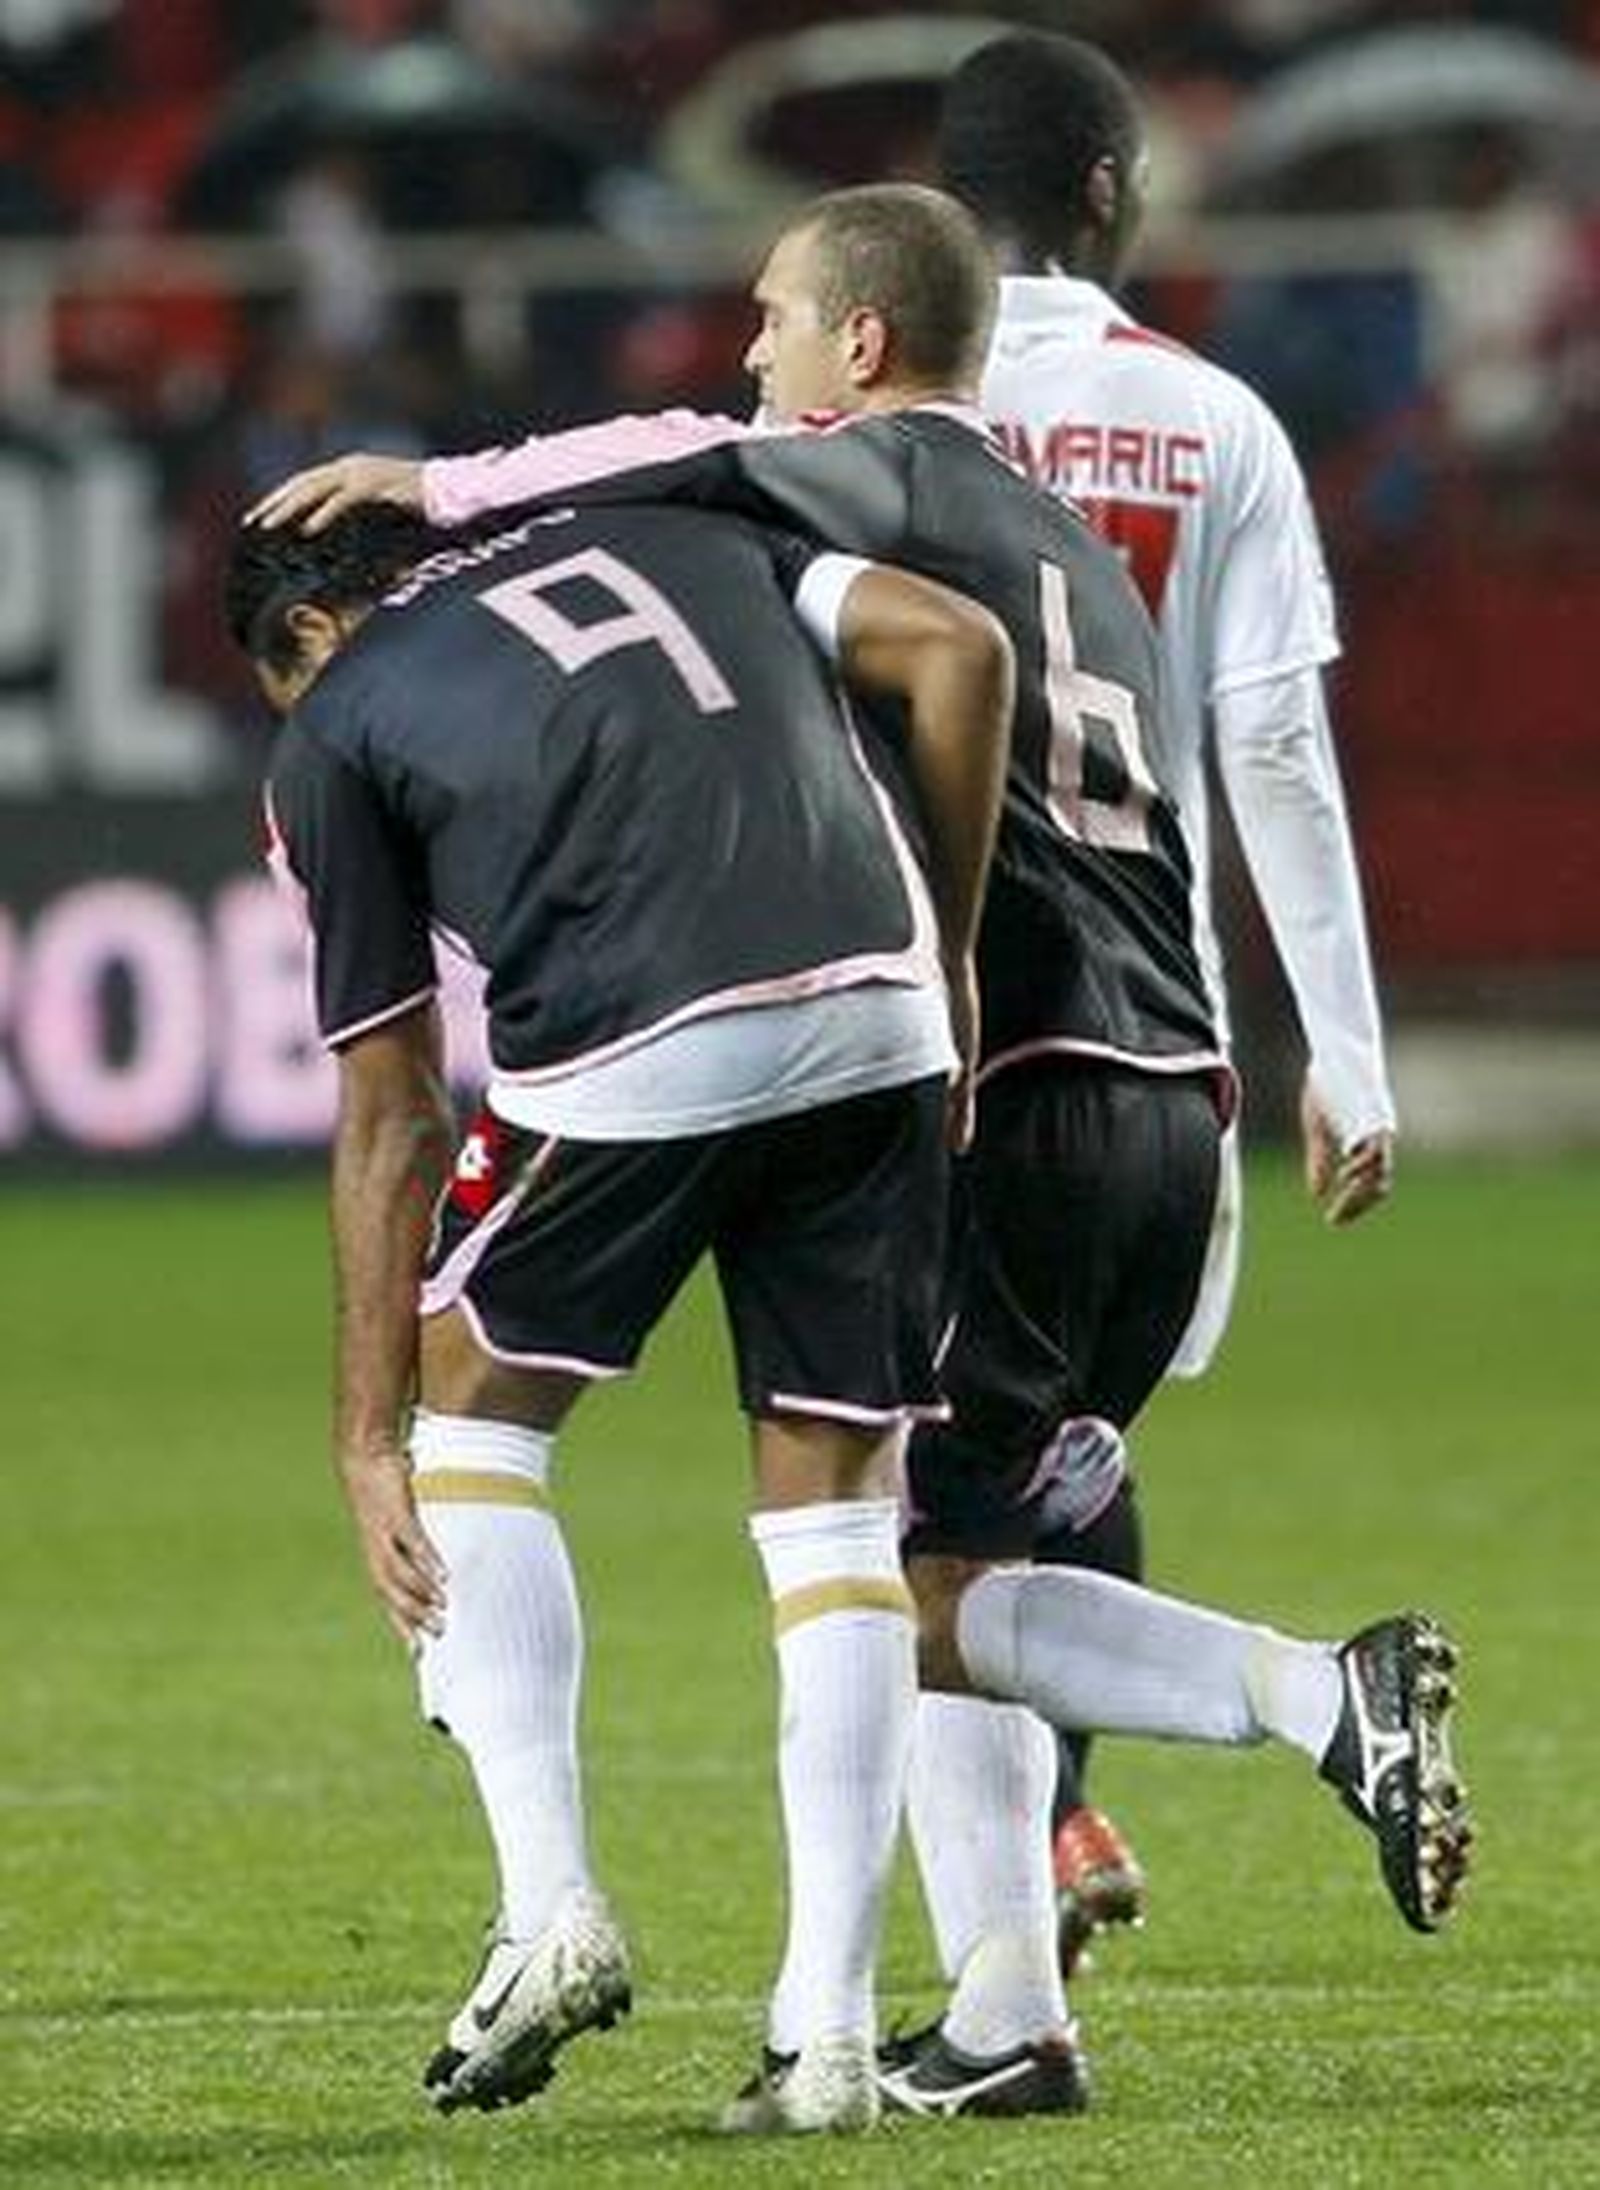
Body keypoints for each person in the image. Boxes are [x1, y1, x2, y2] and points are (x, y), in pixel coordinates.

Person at [247, 182, 1468, 2123]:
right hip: (1176, 1096)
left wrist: (443, 480)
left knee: (891, 1566)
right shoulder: (1078, 536)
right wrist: (1332, 1059)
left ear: (859, 349)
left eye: (770, 323)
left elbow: (657, 462)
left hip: (1002, 1069)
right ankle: (1000, 2014)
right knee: (933, 1536)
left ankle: (1313, 1699)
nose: (749, 357)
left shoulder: (822, 481)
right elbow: (1229, 753)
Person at [224, 494, 1016, 2138]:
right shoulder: (682, 536)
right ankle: (833, 2033)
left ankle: (549, 1907)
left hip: (640, 1037)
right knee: (837, 1515)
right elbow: (951, 651)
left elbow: (393, 1111)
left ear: (304, 636)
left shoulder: (337, 726)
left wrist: (363, 1435)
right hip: (886, 1000)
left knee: (470, 1425)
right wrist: (949, 948)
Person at [936, 30, 1401, 1957]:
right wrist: (1347, 1054)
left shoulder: (871, 412)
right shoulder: (1213, 421)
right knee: (1053, 1447)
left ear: (937, 210)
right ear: (1113, 192)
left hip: (934, 1016)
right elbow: (1275, 747)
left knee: (902, 1510)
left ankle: (974, 1989)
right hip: (1163, 1029)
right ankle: (1057, 1828)